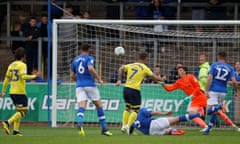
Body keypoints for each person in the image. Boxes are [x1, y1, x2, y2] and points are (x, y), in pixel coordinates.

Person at [116, 52, 165, 134]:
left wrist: (119, 80)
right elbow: (153, 77)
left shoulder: (130, 65)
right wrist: (161, 79)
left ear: (138, 57)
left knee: (127, 108)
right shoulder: (144, 68)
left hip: (126, 88)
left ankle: (123, 126)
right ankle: (128, 126)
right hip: (134, 90)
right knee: (136, 110)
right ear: (145, 58)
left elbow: (120, 68)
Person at [70, 44, 112, 136]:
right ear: (89, 50)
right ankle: (104, 129)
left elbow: (72, 76)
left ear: (81, 50)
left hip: (79, 86)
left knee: (82, 106)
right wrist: (99, 79)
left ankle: (80, 123)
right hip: (90, 85)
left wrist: (79, 81)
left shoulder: (75, 60)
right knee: (99, 105)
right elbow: (90, 68)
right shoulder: (89, 58)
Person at [1, 47, 39, 136]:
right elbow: (23, 76)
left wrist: (3, 90)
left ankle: (16, 131)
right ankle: (7, 122)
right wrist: (34, 76)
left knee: (19, 111)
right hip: (19, 92)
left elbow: (6, 79)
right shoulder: (22, 65)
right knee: (24, 111)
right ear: (24, 56)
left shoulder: (11, 65)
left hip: (12, 91)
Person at [202, 51, 240, 134]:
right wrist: (236, 91)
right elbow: (234, 81)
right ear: (225, 58)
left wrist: (206, 90)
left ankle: (219, 107)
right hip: (223, 92)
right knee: (215, 112)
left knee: (208, 111)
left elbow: (209, 78)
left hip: (214, 90)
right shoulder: (230, 68)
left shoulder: (214, 65)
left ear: (218, 57)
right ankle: (208, 129)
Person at [130, 107, 204, 135]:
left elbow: (131, 128)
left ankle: (172, 131)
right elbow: (153, 112)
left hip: (150, 133)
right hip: (152, 124)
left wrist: (131, 133)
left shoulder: (134, 120)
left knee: (167, 131)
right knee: (176, 119)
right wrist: (165, 113)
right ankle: (198, 114)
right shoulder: (142, 110)